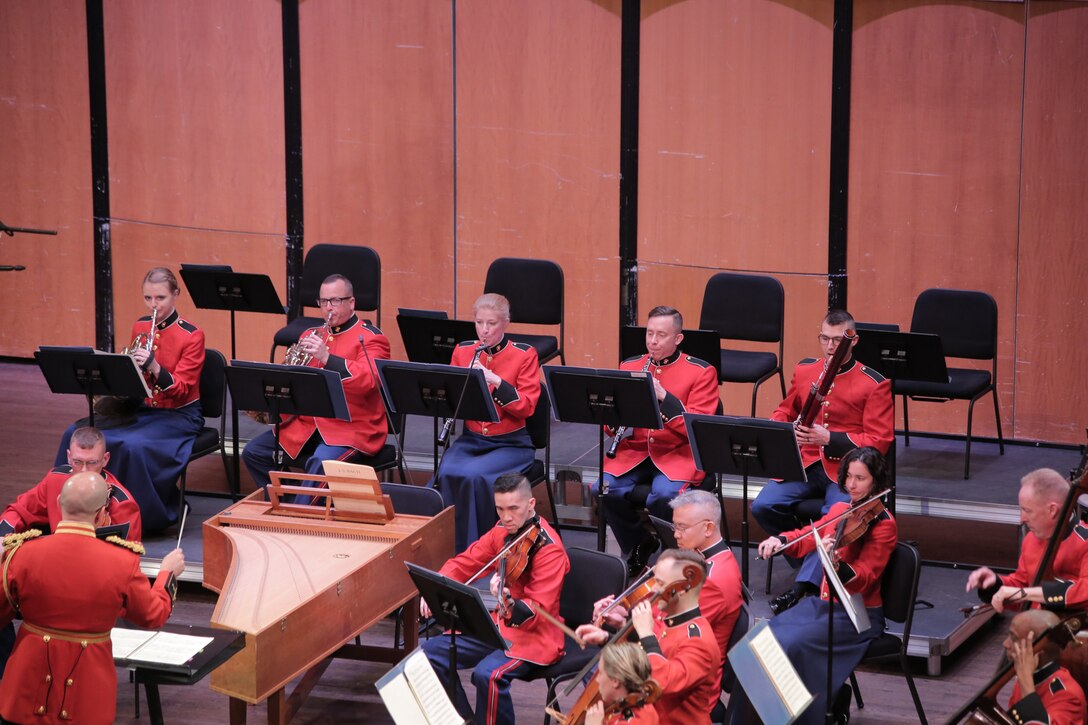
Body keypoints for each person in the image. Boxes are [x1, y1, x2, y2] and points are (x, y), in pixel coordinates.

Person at [0, 472, 185, 725]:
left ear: (57, 504)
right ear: (101, 515)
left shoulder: (20, 554)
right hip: (88, 698)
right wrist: (167, 574)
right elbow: (153, 614)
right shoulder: (123, 562)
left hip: (24, 692)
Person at [734, 446, 896, 725]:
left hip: (857, 614)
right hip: (823, 605)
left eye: (861, 479)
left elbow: (867, 576)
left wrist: (839, 567)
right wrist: (781, 541)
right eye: (849, 477)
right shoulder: (840, 509)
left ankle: (797, 718)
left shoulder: (883, 524)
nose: (852, 485)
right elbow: (809, 534)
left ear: (876, 482)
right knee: (760, 640)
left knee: (790, 644)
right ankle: (755, 719)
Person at [751, 309, 893, 614]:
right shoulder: (805, 371)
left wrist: (831, 439)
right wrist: (786, 429)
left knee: (835, 519)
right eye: (825, 339)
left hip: (844, 470)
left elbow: (880, 441)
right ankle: (814, 565)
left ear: (852, 340)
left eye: (837, 340)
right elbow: (784, 411)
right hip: (804, 463)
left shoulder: (874, 383)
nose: (830, 346)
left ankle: (805, 586)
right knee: (762, 505)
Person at [54, 267, 205, 532]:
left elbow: (181, 389)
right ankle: (70, 508)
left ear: (176, 295)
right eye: (148, 298)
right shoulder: (140, 326)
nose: (154, 305)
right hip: (141, 408)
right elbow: (135, 377)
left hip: (178, 415)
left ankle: (143, 517)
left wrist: (155, 367)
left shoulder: (191, 335)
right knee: (74, 432)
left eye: (160, 298)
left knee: (133, 446)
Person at [420, 472, 568, 725]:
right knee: (427, 654)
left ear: (530, 505)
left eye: (513, 508)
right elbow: (466, 562)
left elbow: (538, 608)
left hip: (535, 635)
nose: (506, 517)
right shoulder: (502, 531)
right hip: (498, 626)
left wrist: (509, 604)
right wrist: (437, 586)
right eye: (500, 509)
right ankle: (462, 720)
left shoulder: (549, 550)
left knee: (488, 675)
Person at [594, 306, 720, 577]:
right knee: (602, 488)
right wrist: (613, 416)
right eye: (650, 333)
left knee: (665, 495)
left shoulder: (701, 372)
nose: (653, 341)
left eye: (661, 335)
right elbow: (612, 423)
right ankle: (639, 543)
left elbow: (699, 429)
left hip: (679, 452)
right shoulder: (630, 366)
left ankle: (671, 554)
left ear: (677, 339)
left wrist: (665, 398)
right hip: (639, 451)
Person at [242, 274, 391, 503]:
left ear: (351, 303)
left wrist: (327, 357)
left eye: (335, 301)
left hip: (352, 428)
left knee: (320, 462)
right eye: (323, 302)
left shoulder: (371, 338)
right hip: (307, 425)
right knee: (255, 453)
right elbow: (294, 380)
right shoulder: (309, 335)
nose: (327, 308)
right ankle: (293, 504)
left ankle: (299, 519)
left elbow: (369, 380)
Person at [429, 293, 541, 552]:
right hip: (471, 440)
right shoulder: (463, 351)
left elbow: (527, 406)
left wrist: (497, 382)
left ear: (505, 323)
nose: (484, 330)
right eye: (479, 323)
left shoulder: (524, 355)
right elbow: (452, 396)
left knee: (475, 476)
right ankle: (448, 548)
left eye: (491, 323)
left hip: (510, 443)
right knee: (445, 472)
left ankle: (478, 551)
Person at [594, 489, 741, 678]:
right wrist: (624, 619)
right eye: (674, 527)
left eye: (682, 527)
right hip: (663, 655)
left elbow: (673, 636)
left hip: (682, 680)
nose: (676, 535)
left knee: (603, 674)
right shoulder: (696, 557)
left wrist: (625, 629)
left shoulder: (713, 581)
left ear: (708, 528)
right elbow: (662, 621)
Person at [577, 548, 721, 725]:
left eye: (660, 583)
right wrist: (609, 636)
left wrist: (646, 633)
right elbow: (645, 655)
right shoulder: (666, 616)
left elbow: (661, 683)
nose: (653, 588)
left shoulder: (699, 643)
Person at [966, 468, 1088, 613]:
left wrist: (1027, 594)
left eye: (1028, 511)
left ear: (1052, 510)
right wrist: (996, 585)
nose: (1022, 519)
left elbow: (1085, 591)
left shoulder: (1085, 541)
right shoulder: (1031, 540)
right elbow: (1023, 586)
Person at [2, 426, 142, 541]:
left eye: (92, 463)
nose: (84, 470)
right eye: (77, 462)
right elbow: (18, 511)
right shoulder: (54, 480)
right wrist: (2, 537)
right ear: (68, 457)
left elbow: (127, 558)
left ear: (105, 459)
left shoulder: (122, 504)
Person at [1004, 609, 1087, 725]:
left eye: (1014, 638)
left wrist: (1026, 681)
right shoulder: (1028, 678)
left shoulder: (1068, 697)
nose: (1005, 644)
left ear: (1038, 649)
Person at [584, 641, 661, 725]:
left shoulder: (635, 721)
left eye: (601, 673)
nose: (597, 679)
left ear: (615, 681)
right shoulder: (646, 707)